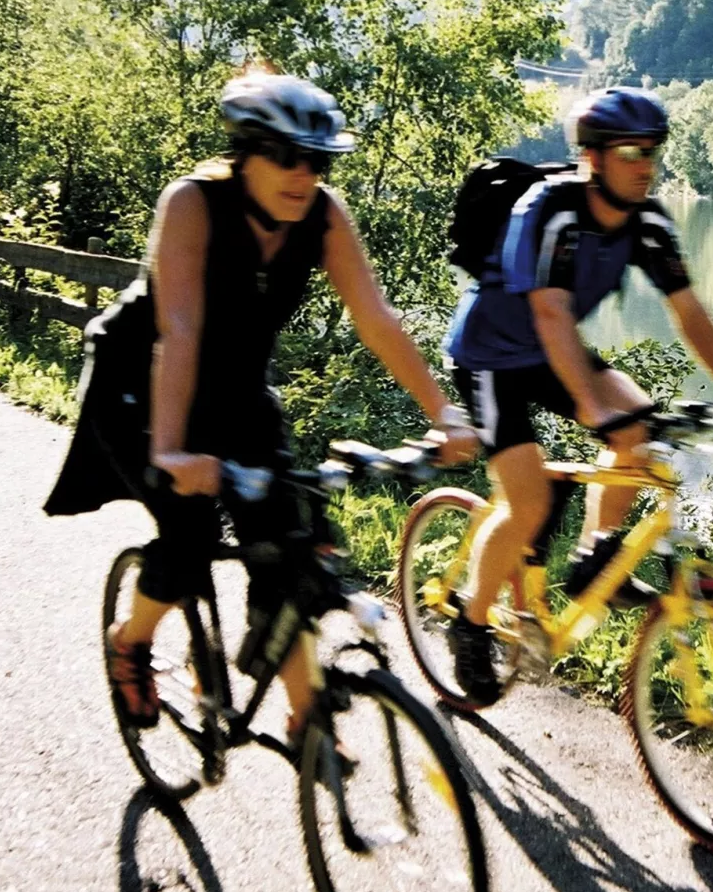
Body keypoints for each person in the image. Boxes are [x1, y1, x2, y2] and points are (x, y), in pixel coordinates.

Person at [45, 71, 480, 734]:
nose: (303, 174)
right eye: (285, 156)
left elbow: (377, 320)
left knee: (290, 545)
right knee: (188, 538)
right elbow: (179, 329)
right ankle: (130, 641)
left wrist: (441, 413)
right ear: (246, 151)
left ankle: (308, 726)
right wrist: (170, 450)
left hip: (238, 393)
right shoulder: (193, 204)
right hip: (141, 385)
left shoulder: (324, 216)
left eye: (318, 159)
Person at [441, 86, 713, 704]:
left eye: (652, 150)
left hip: (551, 351)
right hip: (491, 356)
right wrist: (595, 409)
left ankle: (594, 556)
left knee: (640, 429)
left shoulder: (647, 220)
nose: (645, 163)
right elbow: (549, 312)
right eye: (629, 150)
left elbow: (690, 311)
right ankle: (470, 622)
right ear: (592, 156)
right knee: (527, 499)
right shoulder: (551, 210)